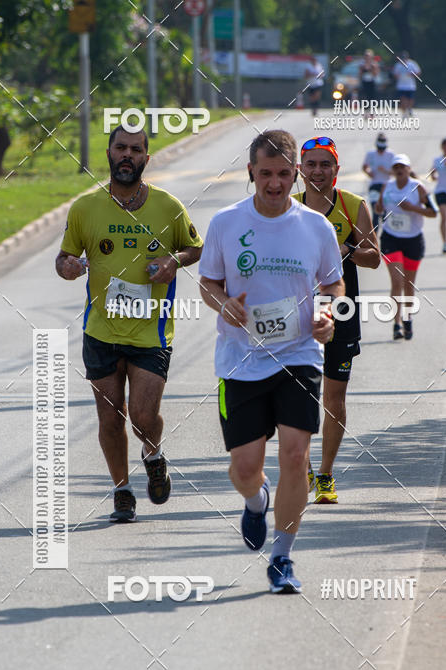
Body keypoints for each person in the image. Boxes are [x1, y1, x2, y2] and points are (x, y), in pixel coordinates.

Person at [198, 129, 344, 593]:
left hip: (299, 355)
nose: (275, 183)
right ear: (251, 173)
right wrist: (223, 304)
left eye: (284, 174)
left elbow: (335, 285)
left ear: (295, 174)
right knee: (244, 469)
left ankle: (282, 558)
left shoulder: (316, 227)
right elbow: (207, 283)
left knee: (296, 456)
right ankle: (256, 501)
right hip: (241, 359)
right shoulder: (225, 222)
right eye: (266, 174)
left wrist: (327, 313)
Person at [56, 126, 202, 522]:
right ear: (108, 153)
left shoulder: (168, 206)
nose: (127, 155)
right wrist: (68, 267)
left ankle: (153, 453)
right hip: (100, 331)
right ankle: (121, 490)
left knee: (141, 416)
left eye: (135, 150)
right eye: (120, 147)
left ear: (145, 159)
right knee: (109, 417)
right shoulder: (85, 208)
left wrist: (174, 261)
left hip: (150, 331)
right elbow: (64, 258)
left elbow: (195, 247)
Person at [295, 136, 380, 504]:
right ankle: (303, 468)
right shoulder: (287, 207)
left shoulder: (352, 206)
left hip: (341, 313)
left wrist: (346, 249)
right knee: (297, 397)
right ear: (299, 170)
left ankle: (326, 473)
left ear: (336, 169)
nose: (318, 171)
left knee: (334, 397)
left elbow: (375, 257)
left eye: (324, 164)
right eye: (311, 164)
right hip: (296, 316)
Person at [375, 153, 437, 340]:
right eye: (396, 167)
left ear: (409, 169)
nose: (400, 170)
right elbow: (378, 209)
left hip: (413, 240)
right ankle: (396, 325)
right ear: (393, 171)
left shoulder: (417, 188)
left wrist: (413, 208)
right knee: (397, 282)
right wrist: (378, 206)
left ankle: (407, 318)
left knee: (409, 284)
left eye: (403, 167)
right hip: (391, 238)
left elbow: (433, 212)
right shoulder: (387, 186)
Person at [362, 132, 396, 232]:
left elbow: (396, 172)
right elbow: (364, 166)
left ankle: (386, 237)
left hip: (387, 186)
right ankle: (374, 241)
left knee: (385, 214)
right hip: (374, 185)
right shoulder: (370, 154)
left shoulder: (391, 154)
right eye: (379, 149)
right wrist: (369, 173)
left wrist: (385, 170)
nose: (381, 151)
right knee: (375, 213)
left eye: (382, 149)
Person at [393, 51, 421, 117]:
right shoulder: (398, 65)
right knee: (403, 99)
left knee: (410, 99)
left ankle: (409, 109)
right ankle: (404, 111)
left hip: (410, 85)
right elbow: (395, 74)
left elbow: (418, 72)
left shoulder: (412, 64)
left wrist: (411, 74)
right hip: (401, 85)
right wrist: (397, 76)